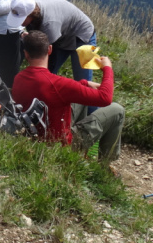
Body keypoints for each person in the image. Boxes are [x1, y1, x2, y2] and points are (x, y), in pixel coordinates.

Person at [12, 30, 125, 164]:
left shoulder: (18, 78)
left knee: (80, 95)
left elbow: (53, 91)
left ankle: (82, 155)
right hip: (61, 147)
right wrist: (107, 68)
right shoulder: (58, 84)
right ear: (49, 49)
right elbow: (105, 98)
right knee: (117, 110)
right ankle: (104, 166)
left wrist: (84, 84)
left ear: (26, 54)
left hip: (35, 138)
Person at [18, 0, 99, 126]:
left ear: (30, 15)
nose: (18, 23)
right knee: (46, 77)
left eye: (20, 19)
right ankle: (47, 116)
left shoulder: (49, 24)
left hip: (83, 36)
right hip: (63, 36)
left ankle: (92, 126)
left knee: (84, 85)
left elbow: (44, 53)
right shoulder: (29, 6)